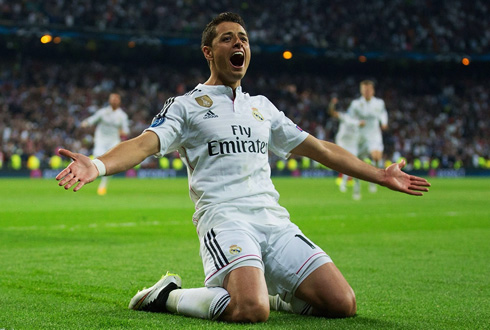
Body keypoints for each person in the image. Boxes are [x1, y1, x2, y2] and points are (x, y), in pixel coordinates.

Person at [56, 12, 430, 323]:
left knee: (341, 304)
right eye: (228, 39)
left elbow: (321, 150)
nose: (239, 44)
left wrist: (380, 175)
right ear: (208, 51)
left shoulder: (262, 108)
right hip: (225, 220)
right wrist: (99, 165)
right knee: (250, 310)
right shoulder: (186, 106)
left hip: (274, 220)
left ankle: (274, 294)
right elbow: (142, 144)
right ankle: (168, 295)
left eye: (244, 39)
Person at [81, 93, 129, 195]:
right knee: (96, 158)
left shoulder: (122, 116)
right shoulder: (103, 112)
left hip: (113, 141)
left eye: (116, 99)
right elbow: (92, 119)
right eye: (112, 99)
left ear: (119, 101)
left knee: (109, 164)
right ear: (109, 101)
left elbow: (126, 131)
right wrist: (85, 123)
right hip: (101, 140)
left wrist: (121, 132)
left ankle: (103, 185)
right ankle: (86, 177)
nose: (114, 101)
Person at [346, 80, 388, 193]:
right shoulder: (355, 104)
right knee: (357, 164)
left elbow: (383, 113)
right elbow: (348, 118)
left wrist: (384, 122)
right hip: (360, 137)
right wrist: (357, 123)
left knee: (376, 157)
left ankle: (373, 180)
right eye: (364, 89)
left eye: (369, 89)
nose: (367, 92)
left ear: (373, 90)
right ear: (361, 90)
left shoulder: (379, 103)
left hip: (374, 135)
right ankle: (357, 184)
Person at [328, 97, 365, 200]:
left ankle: (355, 189)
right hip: (343, 142)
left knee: (355, 166)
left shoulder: (361, 120)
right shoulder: (345, 116)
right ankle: (344, 183)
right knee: (346, 163)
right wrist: (332, 104)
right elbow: (332, 112)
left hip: (353, 144)